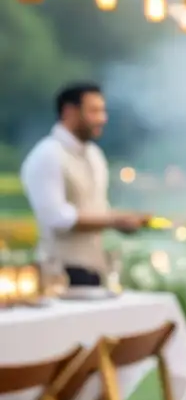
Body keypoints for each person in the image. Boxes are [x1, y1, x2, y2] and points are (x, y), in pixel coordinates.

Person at [20, 83, 151, 286]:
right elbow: (55, 217)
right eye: (94, 111)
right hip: (59, 274)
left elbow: (97, 208)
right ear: (69, 112)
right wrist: (114, 221)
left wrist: (125, 219)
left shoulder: (94, 155)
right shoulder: (47, 155)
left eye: (102, 111)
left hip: (95, 269)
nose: (102, 119)